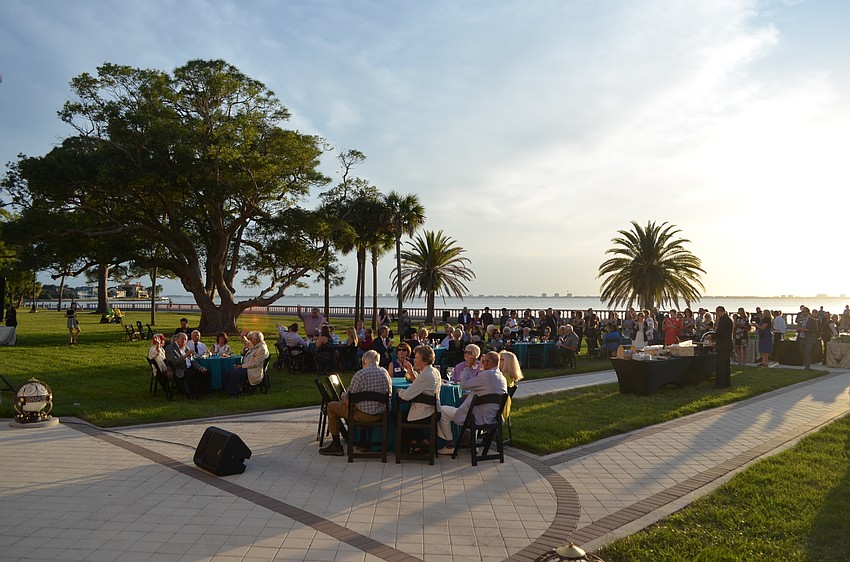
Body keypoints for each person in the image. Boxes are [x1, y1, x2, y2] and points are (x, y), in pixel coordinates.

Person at [319, 350, 391, 456]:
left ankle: (336, 445)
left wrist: (343, 396)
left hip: (363, 415)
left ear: (363, 362)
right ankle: (363, 442)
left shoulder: (360, 374)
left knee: (331, 406)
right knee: (359, 405)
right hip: (381, 415)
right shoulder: (385, 373)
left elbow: (349, 396)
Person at [437, 351, 508, 455]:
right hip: (492, 417)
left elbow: (464, 385)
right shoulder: (501, 377)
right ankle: (472, 444)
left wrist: (468, 367)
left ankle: (450, 444)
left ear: (488, 362)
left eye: (483, 361)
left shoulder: (486, 375)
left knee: (442, 410)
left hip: (477, 418)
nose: (482, 363)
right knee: (470, 406)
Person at [398, 345, 442, 454]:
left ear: (424, 360)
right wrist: (411, 372)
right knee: (402, 416)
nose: (414, 360)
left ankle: (418, 445)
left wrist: (398, 391)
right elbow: (419, 385)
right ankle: (422, 444)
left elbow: (406, 396)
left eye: (417, 358)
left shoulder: (426, 375)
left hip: (426, 413)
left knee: (396, 416)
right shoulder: (434, 371)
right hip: (435, 410)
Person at [224, 330, 270, 397]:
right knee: (228, 372)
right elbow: (247, 343)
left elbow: (255, 363)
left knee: (235, 373)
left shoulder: (262, 349)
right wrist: (242, 337)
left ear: (256, 340)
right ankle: (232, 390)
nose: (250, 340)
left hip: (253, 370)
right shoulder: (256, 344)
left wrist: (242, 366)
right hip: (248, 367)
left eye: (251, 338)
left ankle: (235, 393)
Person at [165, 332, 207, 400]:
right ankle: (192, 395)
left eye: (185, 340)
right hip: (178, 370)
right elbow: (173, 362)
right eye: (182, 339)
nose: (184, 341)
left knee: (203, 372)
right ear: (177, 339)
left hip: (188, 367)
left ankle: (201, 393)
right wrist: (185, 355)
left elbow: (192, 360)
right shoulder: (170, 348)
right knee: (190, 374)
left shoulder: (185, 347)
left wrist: (200, 367)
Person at [498, 350, 523, 420]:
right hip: (504, 407)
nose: (498, 361)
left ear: (507, 363)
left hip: (499, 408)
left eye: (501, 359)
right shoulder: (509, 376)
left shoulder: (503, 377)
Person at [714, 306, 733, 388]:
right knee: (726, 364)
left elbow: (720, 332)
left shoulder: (723, 320)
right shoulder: (729, 319)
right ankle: (726, 382)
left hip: (723, 345)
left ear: (719, 311)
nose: (716, 314)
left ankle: (720, 384)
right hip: (727, 344)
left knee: (721, 365)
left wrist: (712, 337)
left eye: (717, 312)